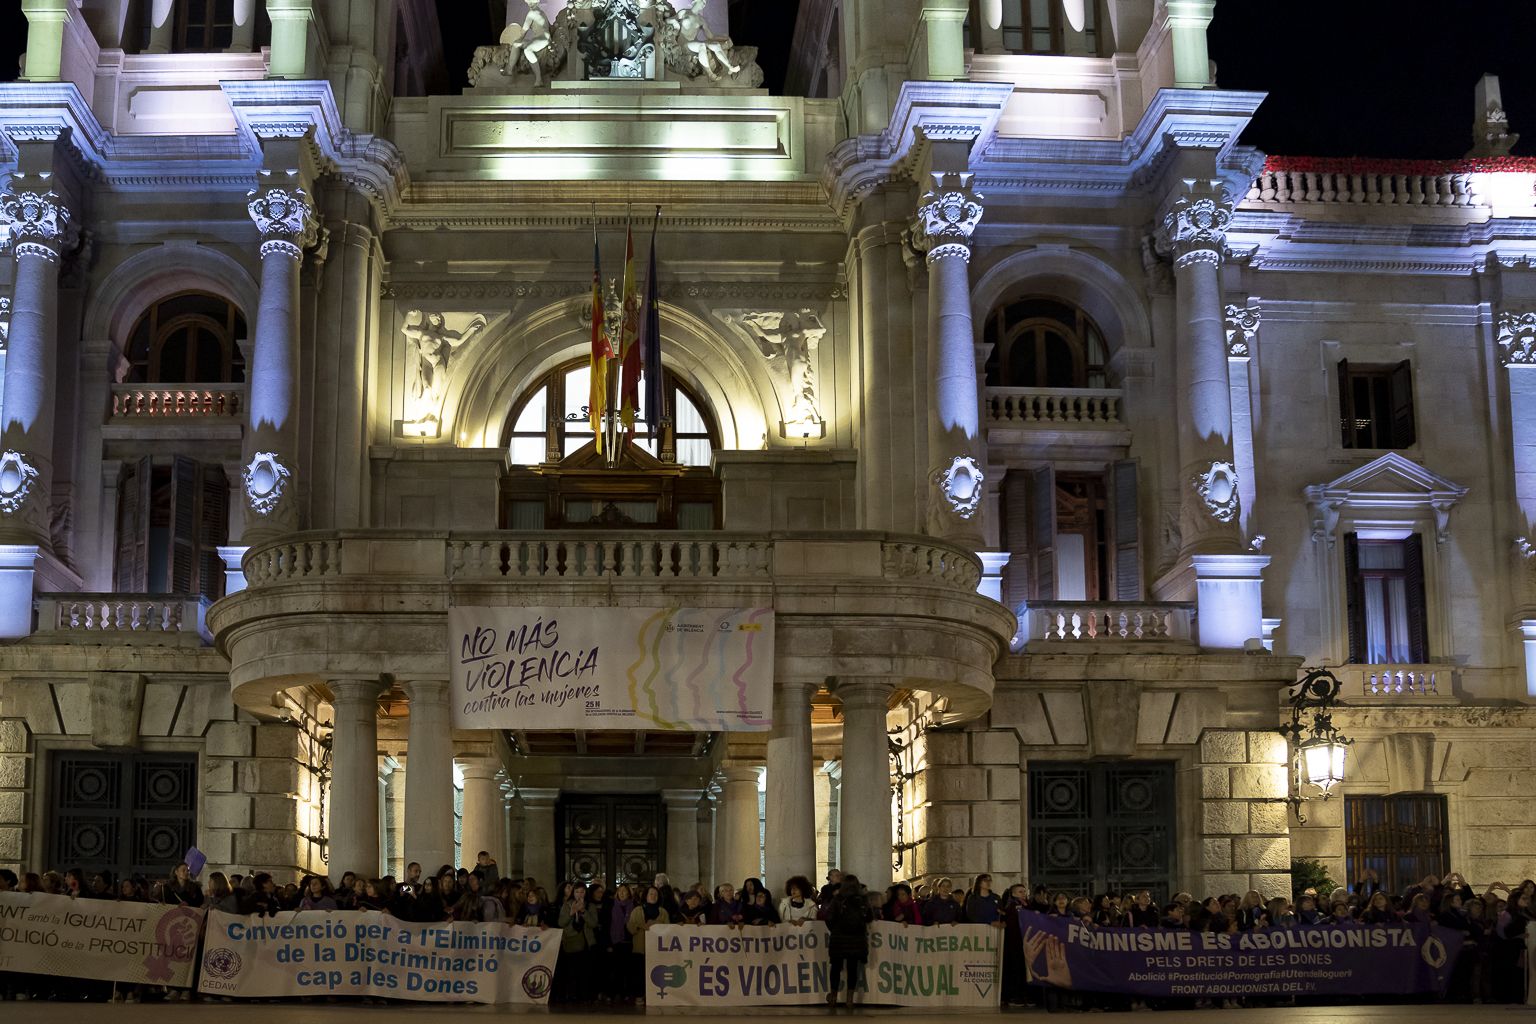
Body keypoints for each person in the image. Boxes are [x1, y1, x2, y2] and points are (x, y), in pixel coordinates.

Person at [826, 875, 873, 1008]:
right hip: (857, 939)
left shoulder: (838, 899)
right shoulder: (863, 900)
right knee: (852, 968)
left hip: (838, 939)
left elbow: (829, 918)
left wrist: (835, 930)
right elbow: (869, 917)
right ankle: (849, 999)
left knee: (835, 967)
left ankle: (833, 997)